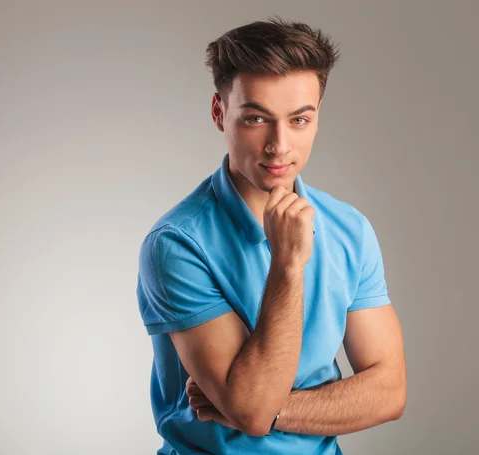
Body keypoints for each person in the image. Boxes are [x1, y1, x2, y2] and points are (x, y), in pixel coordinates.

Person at [136, 16, 407, 455]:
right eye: (257, 118)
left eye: (299, 120)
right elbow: (251, 409)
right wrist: (288, 263)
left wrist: (271, 410)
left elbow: (390, 391)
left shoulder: (349, 229)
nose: (279, 145)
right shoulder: (176, 243)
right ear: (219, 113)